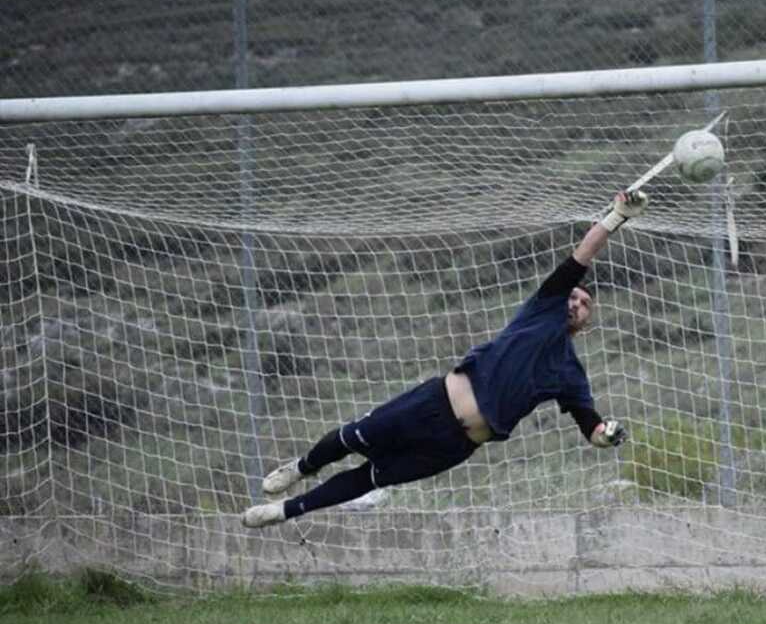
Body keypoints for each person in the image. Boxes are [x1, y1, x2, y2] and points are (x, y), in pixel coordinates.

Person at [241, 190, 648, 528]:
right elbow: (581, 256)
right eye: (573, 296)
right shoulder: (542, 310)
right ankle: (301, 466)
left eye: (584, 304)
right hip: (431, 402)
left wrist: (608, 435)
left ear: (586, 322)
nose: (575, 302)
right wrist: (616, 217)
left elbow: (590, 426)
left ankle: (283, 512)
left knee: (367, 479)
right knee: (349, 439)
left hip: (455, 444)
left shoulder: (570, 373)